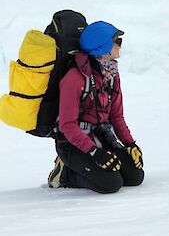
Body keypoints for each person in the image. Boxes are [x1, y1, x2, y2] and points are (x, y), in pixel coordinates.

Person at [47, 21, 144, 193]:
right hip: (72, 144)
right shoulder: (74, 79)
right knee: (111, 183)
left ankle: (88, 164)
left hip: (100, 137)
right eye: (117, 42)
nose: (120, 46)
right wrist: (94, 153)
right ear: (103, 48)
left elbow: (116, 116)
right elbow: (67, 125)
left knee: (135, 176)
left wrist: (130, 144)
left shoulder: (111, 74)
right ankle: (65, 173)